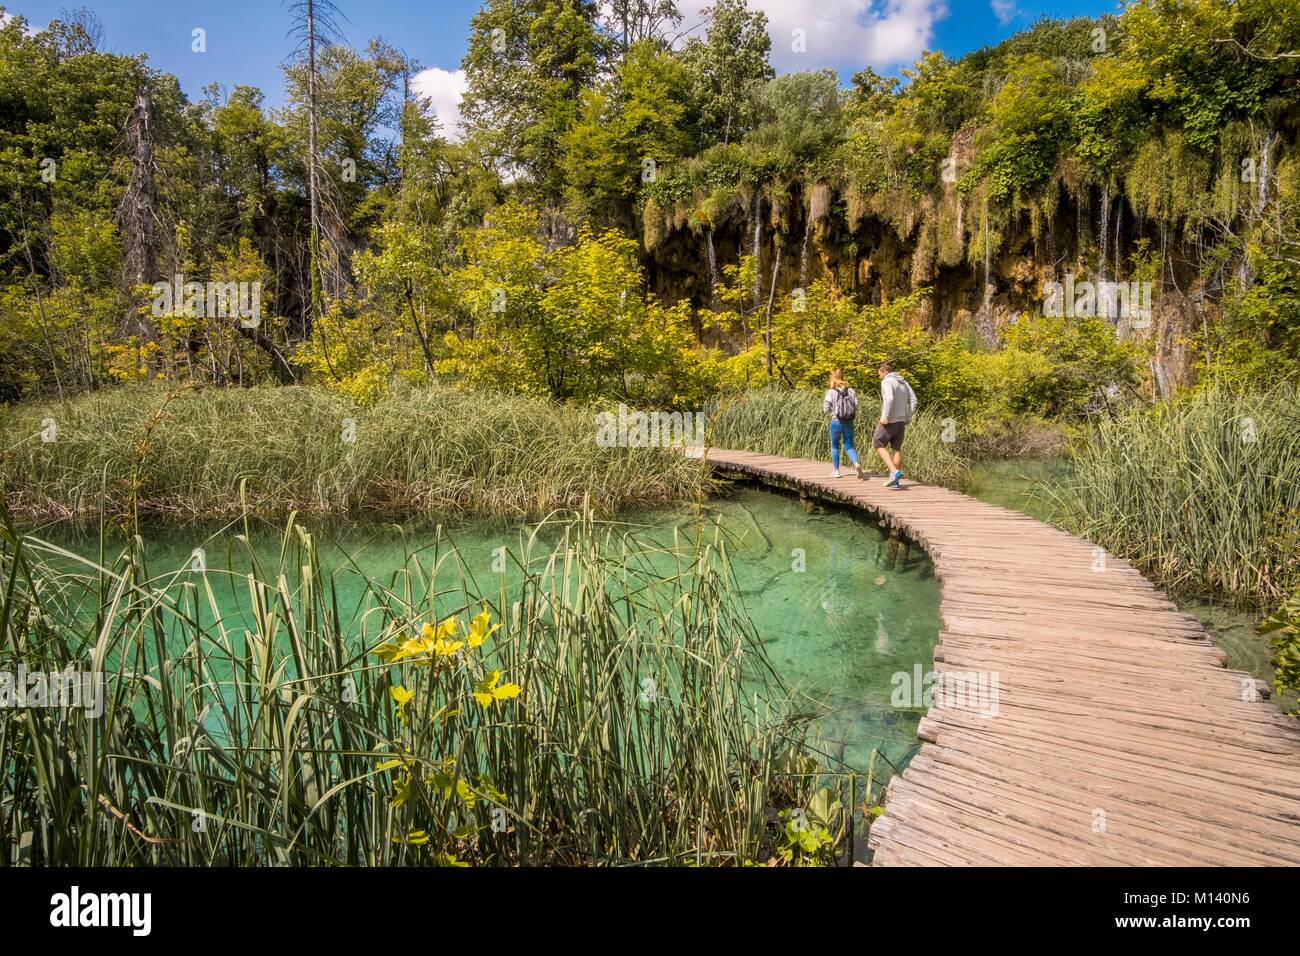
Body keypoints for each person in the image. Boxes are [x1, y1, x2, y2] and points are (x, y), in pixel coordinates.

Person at [873, 361, 917, 489]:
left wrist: (885, 416)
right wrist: (908, 416)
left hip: (890, 420)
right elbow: (914, 399)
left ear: (885, 372)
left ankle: (894, 472)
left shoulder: (887, 381)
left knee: (878, 443)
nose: (879, 377)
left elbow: (889, 399)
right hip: (901, 420)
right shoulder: (904, 382)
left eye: (879, 374)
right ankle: (896, 482)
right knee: (896, 449)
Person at [823, 369, 863, 479]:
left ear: (833, 378)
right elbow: (856, 406)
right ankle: (856, 464)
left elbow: (825, 409)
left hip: (836, 421)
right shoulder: (851, 391)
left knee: (835, 445)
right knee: (849, 445)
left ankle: (836, 471)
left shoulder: (831, 392)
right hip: (849, 421)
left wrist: (830, 411)